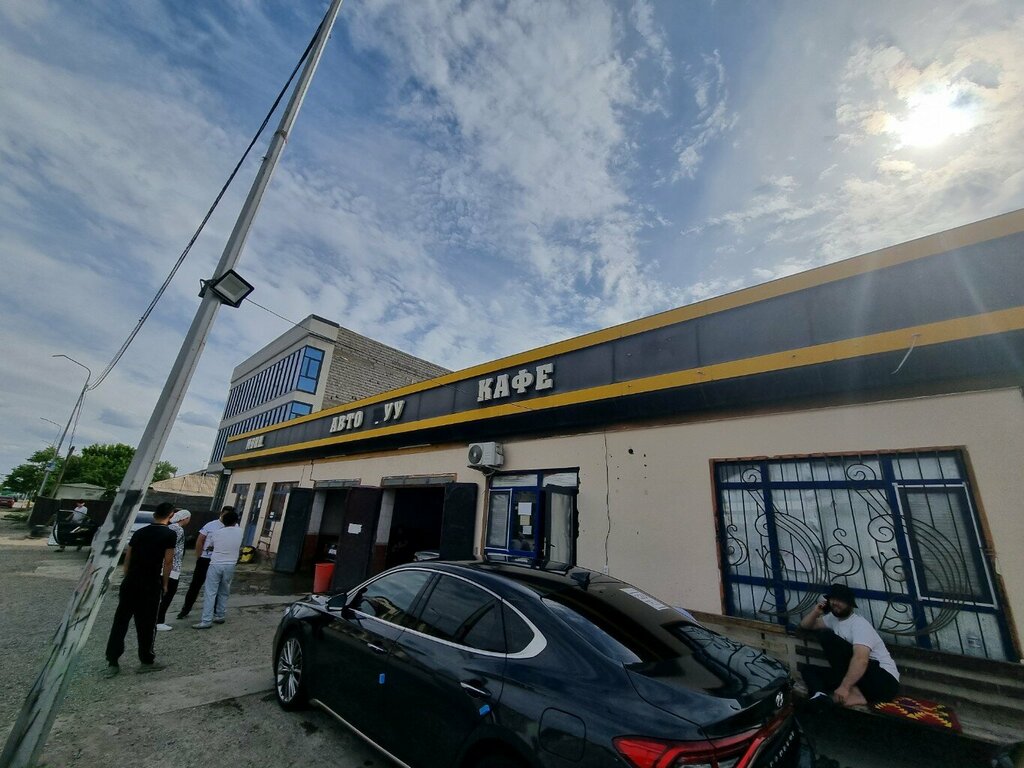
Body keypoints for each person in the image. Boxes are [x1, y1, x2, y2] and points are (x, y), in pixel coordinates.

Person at [799, 583, 900, 707]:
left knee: (826, 636)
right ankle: (819, 695)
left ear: (850, 604)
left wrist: (844, 687)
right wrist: (816, 612)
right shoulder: (832, 619)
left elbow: (861, 660)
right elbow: (806, 625)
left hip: (884, 681)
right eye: (833, 599)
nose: (835, 603)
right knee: (808, 670)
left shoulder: (859, 624)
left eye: (840, 600)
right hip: (856, 677)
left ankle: (856, 692)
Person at [104, 502, 177, 673]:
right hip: (150, 582)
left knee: (121, 621)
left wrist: (127, 575)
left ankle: (112, 661)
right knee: (147, 623)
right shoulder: (169, 534)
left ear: (155, 514)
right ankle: (146, 660)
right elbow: (168, 561)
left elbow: (128, 556)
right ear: (171, 515)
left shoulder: (140, 532)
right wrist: (165, 584)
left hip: (131, 581)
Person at [176, 506, 231, 620]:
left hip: (220, 561)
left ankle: (216, 611)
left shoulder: (233, 527)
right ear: (221, 513)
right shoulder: (211, 525)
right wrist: (199, 556)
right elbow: (200, 540)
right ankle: (186, 609)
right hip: (205, 559)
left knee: (218, 587)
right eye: (226, 515)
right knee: (195, 585)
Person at [194, 510, 243, 629]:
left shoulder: (217, 533)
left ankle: (206, 620)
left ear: (223, 521)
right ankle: (220, 615)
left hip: (216, 564)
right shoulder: (240, 531)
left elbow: (211, 546)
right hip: (231, 565)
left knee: (210, 592)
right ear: (236, 521)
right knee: (224, 591)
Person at [156, 509, 191, 631]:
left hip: (164, 565)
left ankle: (154, 618)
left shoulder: (169, 527)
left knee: (161, 594)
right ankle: (159, 621)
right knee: (168, 594)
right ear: (185, 518)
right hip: (172, 567)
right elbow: (171, 548)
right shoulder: (178, 530)